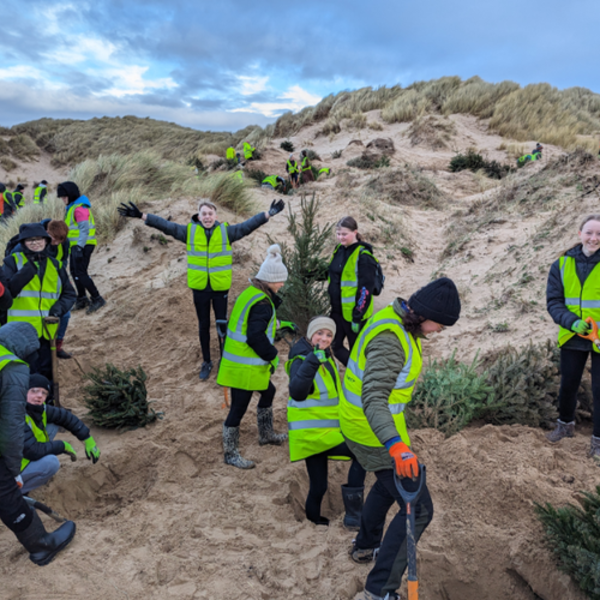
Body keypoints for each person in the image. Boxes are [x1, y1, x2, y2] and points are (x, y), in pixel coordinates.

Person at [340, 278, 461, 600]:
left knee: (385, 483)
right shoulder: (391, 339)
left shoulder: (398, 322)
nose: (438, 331)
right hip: (371, 430)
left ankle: (365, 546)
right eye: (440, 325)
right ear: (423, 315)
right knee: (419, 508)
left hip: (374, 426)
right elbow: (374, 398)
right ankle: (379, 591)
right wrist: (395, 447)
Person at [118, 198, 286, 380]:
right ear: (198, 216)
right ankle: (206, 361)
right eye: (204, 214)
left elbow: (247, 226)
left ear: (216, 216)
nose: (207, 217)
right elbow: (166, 226)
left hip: (220, 288)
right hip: (200, 289)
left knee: (222, 326)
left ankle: (224, 359)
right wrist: (143, 216)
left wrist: (267, 214)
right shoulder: (189, 232)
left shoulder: (226, 232)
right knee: (203, 325)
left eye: (210, 214)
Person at [0, 321, 76, 566]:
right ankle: (41, 545)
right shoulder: (11, 368)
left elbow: (58, 416)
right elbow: (12, 429)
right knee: (8, 494)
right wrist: (12, 472)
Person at [286, 316, 366, 527]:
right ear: (309, 335)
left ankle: (314, 521)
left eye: (329, 334)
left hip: (323, 434)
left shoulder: (325, 356)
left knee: (319, 486)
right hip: (312, 436)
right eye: (319, 333)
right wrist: (313, 358)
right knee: (361, 452)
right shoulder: (301, 359)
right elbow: (297, 391)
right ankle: (354, 514)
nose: (324, 338)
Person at [216, 244, 288, 469]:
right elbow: (255, 335)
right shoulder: (263, 303)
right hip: (244, 366)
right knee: (238, 407)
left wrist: (282, 325)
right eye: (280, 281)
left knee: (270, 391)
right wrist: (272, 354)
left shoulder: (252, 294)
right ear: (270, 279)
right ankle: (230, 453)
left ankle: (266, 435)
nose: (282, 285)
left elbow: (252, 323)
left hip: (238, 362)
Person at [546, 214, 600, 460]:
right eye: (589, 232)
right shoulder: (561, 264)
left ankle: (598, 441)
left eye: (598, 234)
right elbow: (554, 302)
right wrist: (572, 322)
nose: (594, 238)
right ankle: (565, 425)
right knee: (568, 384)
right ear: (580, 234)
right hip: (572, 334)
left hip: (599, 337)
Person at [2, 223, 76, 387]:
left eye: (39, 239)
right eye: (30, 240)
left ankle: (48, 407)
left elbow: (70, 293)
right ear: (23, 243)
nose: (35, 243)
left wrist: (57, 310)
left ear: (46, 241)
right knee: (27, 374)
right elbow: (8, 293)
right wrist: (29, 269)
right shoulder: (12, 262)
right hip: (20, 333)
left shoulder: (55, 265)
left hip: (47, 331)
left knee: (47, 373)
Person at [20, 374, 100, 494]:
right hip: (8, 469)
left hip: (25, 455)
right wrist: (62, 446)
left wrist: (87, 438)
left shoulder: (40, 409)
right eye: (34, 391)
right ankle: (14, 495)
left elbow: (65, 417)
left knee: (53, 424)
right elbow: (33, 450)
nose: (39, 396)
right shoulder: (15, 415)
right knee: (51, 463)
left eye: (44, 393)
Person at [328, 216, 379, 366]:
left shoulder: (364, 256)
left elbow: (365, 290)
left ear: (355, 232)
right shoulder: (338, 250)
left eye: (344, 234)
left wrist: (358, 316)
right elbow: (332, 273)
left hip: (355, 316)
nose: (340, 237)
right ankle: (354, 370)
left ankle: (361, 378)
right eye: (338, 234)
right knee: (334, 346)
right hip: (337, 311)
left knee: (357, 351)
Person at [57, 181, 106, 314]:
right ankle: (82, 298)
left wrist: (79, 247)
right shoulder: (72, 207)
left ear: (70, 195)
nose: (63, 200)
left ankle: (97, 298)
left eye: (64, 197)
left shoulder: (80, 208)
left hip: (83, 245)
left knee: (81, 272)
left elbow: (84, 230)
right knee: (74, 272)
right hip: (76, 245)